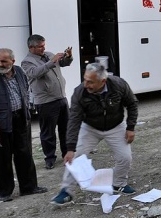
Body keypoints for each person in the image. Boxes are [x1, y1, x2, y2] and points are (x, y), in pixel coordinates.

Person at [51, 62, 139, 205]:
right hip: (90, 127)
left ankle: (119, 183)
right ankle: (66, 191)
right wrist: (71, 148)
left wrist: (130, 127)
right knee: (75, 156)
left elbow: (132, 104)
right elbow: (74, 120)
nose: (86, 84)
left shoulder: (118, 85)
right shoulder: (79, 92)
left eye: (90, 82)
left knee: (125, 157)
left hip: (116, 126)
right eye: (85, 79)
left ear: (102, 81)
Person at [0, 48, 48, 202]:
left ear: (12, 61)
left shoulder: (19, 71)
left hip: (20, 118)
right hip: (0, 122)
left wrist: (29, 108)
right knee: (2, 158)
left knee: (25, 154)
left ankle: (28, 187)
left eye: (3, 61)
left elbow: (26, 89)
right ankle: (3, 192)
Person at [21, 34, 73, 170]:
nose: (43, 48)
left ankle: (67, 154)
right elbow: (35, 73)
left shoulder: (49, 54)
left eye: (44, 45)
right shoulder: (27, 62)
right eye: (40, 47)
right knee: (48, 132)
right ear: (31, 47)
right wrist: (51, 61)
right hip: (45, 102)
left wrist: (68, 57)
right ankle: (50, 158)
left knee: (65, 129)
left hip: (61, 97)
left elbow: (64, 64)